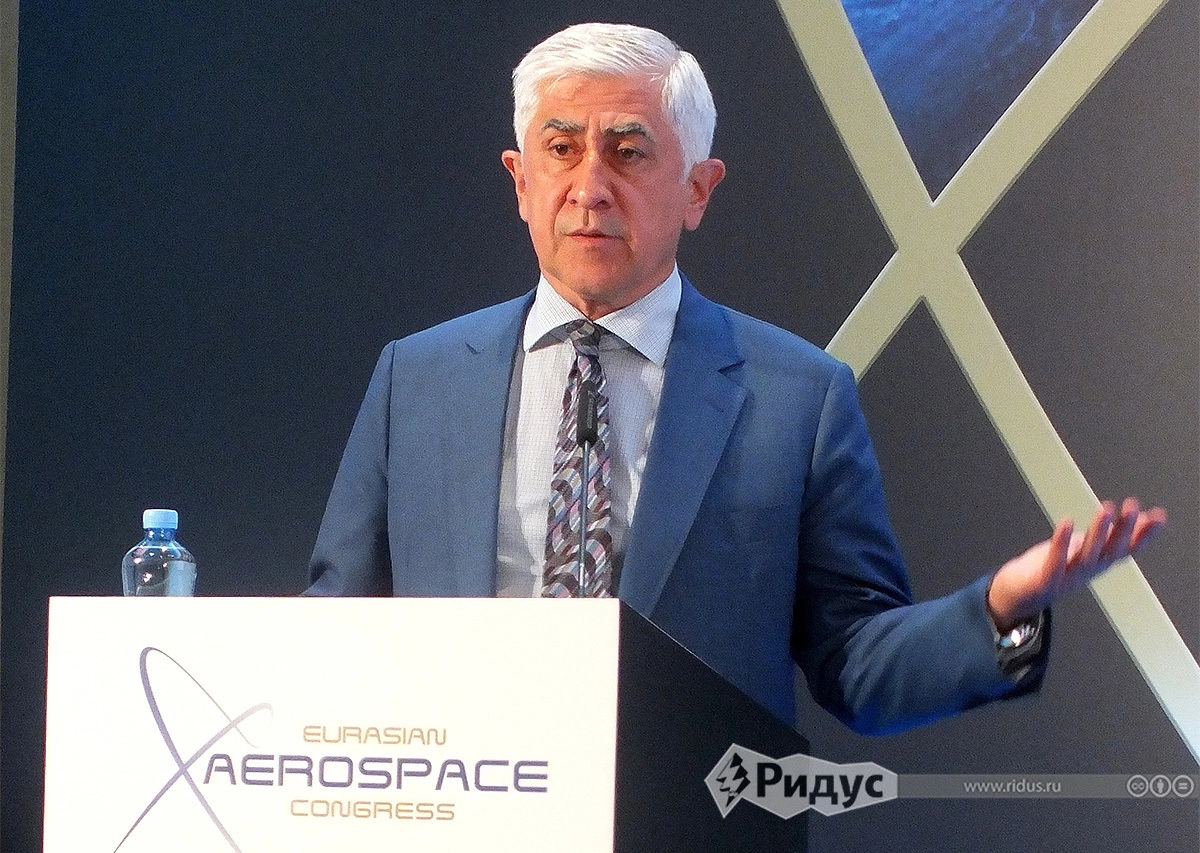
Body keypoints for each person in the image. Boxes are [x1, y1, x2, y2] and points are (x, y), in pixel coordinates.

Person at [306, 23, 1165, 732]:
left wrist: (1000, 608)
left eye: (628, 152)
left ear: (698, 190)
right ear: (521, 181)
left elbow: (858, 661)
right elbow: (333, 634)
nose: (589, 187)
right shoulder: (417, 380)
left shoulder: (798, 398)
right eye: (561, 149)